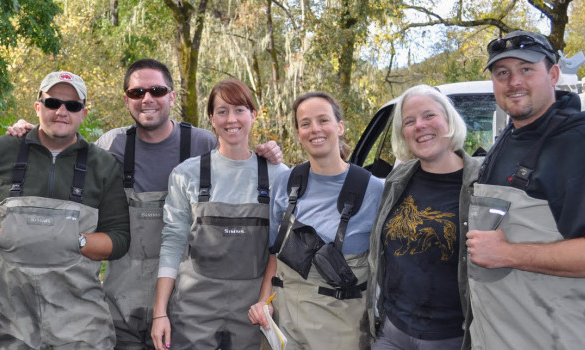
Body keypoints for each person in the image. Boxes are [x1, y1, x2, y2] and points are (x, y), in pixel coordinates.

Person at [8, 58, 283, 349]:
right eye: (138, 93)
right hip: (122, 302)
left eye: (157, 91)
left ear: (172, 96)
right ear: (126, 100)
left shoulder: (203, 143)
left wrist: (268, 154)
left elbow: (238, 162)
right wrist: (32, 136)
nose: (147, 99)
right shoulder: (111, 145)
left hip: (187, 306)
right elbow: (64, 163)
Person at [467, 30, 585, 349]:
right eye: (502, 72)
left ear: (553, 74)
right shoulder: (509, 139)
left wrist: (508, 253)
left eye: (526, 69)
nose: (514, 81)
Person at [0, 71, 130, 349]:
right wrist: (1, 236)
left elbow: (119, 239)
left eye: (72, 106)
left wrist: (77, 241)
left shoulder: (103, 164)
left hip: (80, 325)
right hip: (6, 322)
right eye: (53, 103)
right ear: (38, 106)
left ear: (83, 113)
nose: (62, 112)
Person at [150, 78, 288, 350]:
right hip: (194, 313)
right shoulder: (186, 174)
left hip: (253, 314)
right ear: (211, 119)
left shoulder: (279, 176)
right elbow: (173, 243)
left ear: (253, 114)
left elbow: (280, 250)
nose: (231, 119)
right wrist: (160, 312)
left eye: (239, 109)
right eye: (222, 111)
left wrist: (264, 303)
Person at [248, 91, 384, 350]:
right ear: (298, 132)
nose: (315, 130)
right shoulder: (285, 183)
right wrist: (263, 302)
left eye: (323, 120)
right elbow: (274, 256)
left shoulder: (373, 189)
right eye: (305, 123)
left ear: (340, 127)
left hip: (340, 328)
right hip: (284, 324)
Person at [365, 85, 478, 350]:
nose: (420, 126)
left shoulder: (481, 184)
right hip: (393, 332)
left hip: (453, 338)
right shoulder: (397, 181)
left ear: (448, 120)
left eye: (429, 116)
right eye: (409, 121)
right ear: (402, 133)